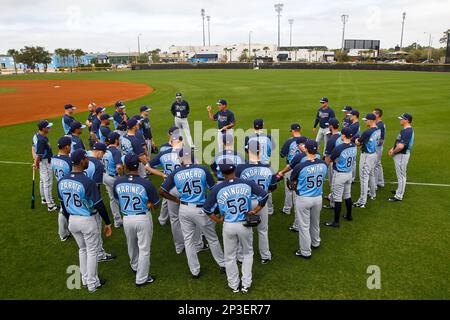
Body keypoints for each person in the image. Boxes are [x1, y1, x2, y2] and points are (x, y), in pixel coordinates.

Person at [203, 163, 269, 294]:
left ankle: (234, 285)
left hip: (229, 225)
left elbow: (207, 209)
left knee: (229, 256)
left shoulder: (218, 188)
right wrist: (255, 210)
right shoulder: (247, 183)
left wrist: (218, 220)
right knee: (248, 253)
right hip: (245, 224)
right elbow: (264, 196)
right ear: (235, 171)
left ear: (222, 174)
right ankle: (246, 284)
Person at [160, 149, 225, 279]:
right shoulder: (202, 169)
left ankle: (194, 271)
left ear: (180, 159)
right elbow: (214, 190)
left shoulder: (175, 173)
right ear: (193, 157)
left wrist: (176, 200)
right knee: (212, 238)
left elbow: (162, 191)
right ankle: (222, 264)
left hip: (184, 209)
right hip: (201, 208)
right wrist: (214, 207)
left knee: (188, 240)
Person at [57, 149, 112, 293]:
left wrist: (70, 220)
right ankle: (93, 284)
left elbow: (63, 205)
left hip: (72, 220)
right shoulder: (87, 181)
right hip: (87, 219)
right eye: (86, 158)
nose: (88, 160)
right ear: (81, 161)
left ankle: (84, 278)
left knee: (82, 249)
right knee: (92, 251)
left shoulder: (62, 180)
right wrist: (107, 222)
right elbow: (99, 204)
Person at [114, 154, 160, 287]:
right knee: (144, 249)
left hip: (127, 218)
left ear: (126, 166)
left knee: (131, 245)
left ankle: (135, 267)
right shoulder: (146, 183)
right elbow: (156, 204)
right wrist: (150, 204)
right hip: (142, 217)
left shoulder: (118, 181)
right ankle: (141, 278)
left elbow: (117, 198)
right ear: (139, 165)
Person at [236, 142, 279, 264]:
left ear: (247, 151)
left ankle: (241, 257)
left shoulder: (240, 168)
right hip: (262, 202)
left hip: (246, 203)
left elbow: (237, 185)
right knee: (263, 230)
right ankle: (265, 256)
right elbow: (273, 187)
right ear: (260, 151)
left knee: (245, 230)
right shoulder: (269, 167)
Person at [290, 140, 327, 259]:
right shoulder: (323, 164)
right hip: (318, 197)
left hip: (304, 198)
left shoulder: (300, 166)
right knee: (315, 222)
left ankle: (305, 251)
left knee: (304, 226)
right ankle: (316, 242)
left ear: (306, 149)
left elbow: (292, 180)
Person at [85, 142, 116, 263]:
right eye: (103, 153)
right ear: (98, 151)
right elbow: (96, 189)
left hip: (77, 198)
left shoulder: (84, 155)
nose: (103, 156)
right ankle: (99, 254)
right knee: (95, 228)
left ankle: (90, 251)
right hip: (90, 200)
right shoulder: (97, 164)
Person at [324, 127, 357, 227]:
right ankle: (349, 215)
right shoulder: (354, 146)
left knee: (337, 198)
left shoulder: (339, 148)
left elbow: (329, 160)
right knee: (347, 195)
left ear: (343, 135)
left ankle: (336, 222)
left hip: (339, 174)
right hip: (349, 174)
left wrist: (334, 160)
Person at [244, 119, 276, 215]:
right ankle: (269, 209)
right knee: (267, 187)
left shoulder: (248, 137)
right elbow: (272, 150)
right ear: (263, 125)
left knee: (251, 184)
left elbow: (247, 151)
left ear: (253, 126)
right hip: (265, 164)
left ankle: (251, 207)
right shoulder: (269, 137)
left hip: (252, 163)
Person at [353, 114, 381, 209]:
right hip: (374, 154)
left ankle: (362, 201)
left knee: (364, 178)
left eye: (366, 120)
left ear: (371, 120)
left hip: (366, 156)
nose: (365, 122)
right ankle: (373, 194)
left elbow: (358, 142)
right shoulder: (378, 129)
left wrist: (356, 140)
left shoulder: (367, 132)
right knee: (371, 174)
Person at [32, 120, 58, 211]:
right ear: (43, 128)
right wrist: (36, 163)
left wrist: (35, 161)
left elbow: (33, 148)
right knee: (48, 182)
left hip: (41, 162)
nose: (49, 128)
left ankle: (44, 198)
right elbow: (39, 154)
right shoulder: (41, 140)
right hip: (45, 162)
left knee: (43, 180)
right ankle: (50, 205)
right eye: (48, 127)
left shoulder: (36, 136)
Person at [279, 123, 304, 215]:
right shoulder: (306, 140)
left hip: (290, 168)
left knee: (289, 189)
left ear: (293, 131)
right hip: (303, 168)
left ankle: (287, 209)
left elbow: (282, 155)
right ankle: (299, 209)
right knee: (300, 188)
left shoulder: (289, 141)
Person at [388, 113, 414, 202]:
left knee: (401, 176)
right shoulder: (405, 130)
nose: (400, 120)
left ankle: (399, 196)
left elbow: (400, 146)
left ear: (407, 120)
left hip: (402, 155)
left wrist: (393, 152)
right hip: (400, 154)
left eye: (402, 119)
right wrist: (392, 149)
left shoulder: (407, 131)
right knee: (401, 175)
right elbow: (398, 143)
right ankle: (399, 190)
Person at [51, 136, 73, 241]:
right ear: (67, 146)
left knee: (63, 209)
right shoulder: (69, 160)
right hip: (68, 187)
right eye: (70, 145)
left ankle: (63, 233)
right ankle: (66, 232)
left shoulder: (54, 158)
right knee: (68, 210)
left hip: (59, 185)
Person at [103, 132, 124, 228]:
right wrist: (121, 177)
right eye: (118, 139)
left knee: (112, 199)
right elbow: (119, 167)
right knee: (123, 196)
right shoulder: (115, 151)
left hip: (106, 176)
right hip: (114, 178)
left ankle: (117, 221)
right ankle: (127, 216)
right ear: (116, 140)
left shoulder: (105, 150)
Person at [323, 118, 342, 210]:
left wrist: (323, 168)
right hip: (342, 162)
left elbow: (327, 157)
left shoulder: (331, 139)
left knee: (333, 183)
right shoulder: (342, 135)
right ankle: (333, 198)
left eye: (328, 125)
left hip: (333, 163)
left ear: (331, 126)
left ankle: (333, 203)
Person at [373, 108, 386, 189]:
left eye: (373, 113)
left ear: (377, 115)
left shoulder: (379, 125)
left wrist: (373, 144)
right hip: (379, 147)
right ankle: (380, 182)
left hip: (377, 148)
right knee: (378, 164)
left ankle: (374, 186)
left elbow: (381, 140)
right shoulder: (379, 124)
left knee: (374, 166)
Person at [348, 110, 360, 182]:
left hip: (352, 145)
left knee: (352, 161)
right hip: (353, 144)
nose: (349, 116)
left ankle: (352, 177)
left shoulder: (354, 125)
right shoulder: (355, 124)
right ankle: (352, 177)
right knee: (353, 161)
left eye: (351, 115)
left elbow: (350, 136)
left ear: (355, 116)